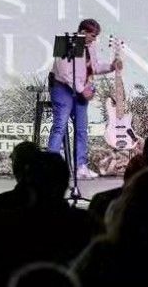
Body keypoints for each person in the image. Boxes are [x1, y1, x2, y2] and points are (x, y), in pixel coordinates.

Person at [47, 19, 121, 179]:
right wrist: (83, 90)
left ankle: (81, 167)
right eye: (92, 36)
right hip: (62, 87)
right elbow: (65, 73)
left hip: (81, 88)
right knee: (60, 125)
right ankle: (50, 167)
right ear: (83, 31)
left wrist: (110, 66)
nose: (94, 39)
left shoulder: (91, 46)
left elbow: (93, 67)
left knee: (81, 129)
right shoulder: (65, 42)